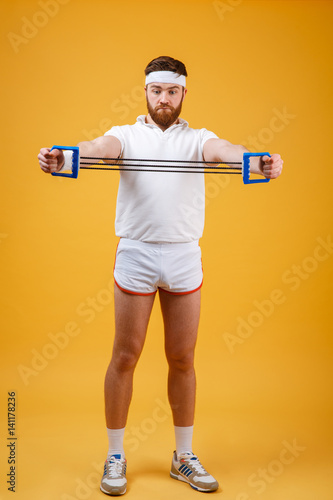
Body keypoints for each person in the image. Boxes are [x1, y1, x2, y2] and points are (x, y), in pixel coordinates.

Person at [38, 55, 283, 496]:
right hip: (137, 254)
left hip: (184, 255)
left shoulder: (198, 139)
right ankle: (115, 455)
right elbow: (98, 148)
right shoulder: (126, 135)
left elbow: (225, 151)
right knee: (125, 355)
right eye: (156, 91)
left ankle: (182, 457)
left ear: (184, 93)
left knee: (183, 358)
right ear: (146, 92)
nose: (164, 99)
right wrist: (64, 156)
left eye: (172, 91)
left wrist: (258, 160)